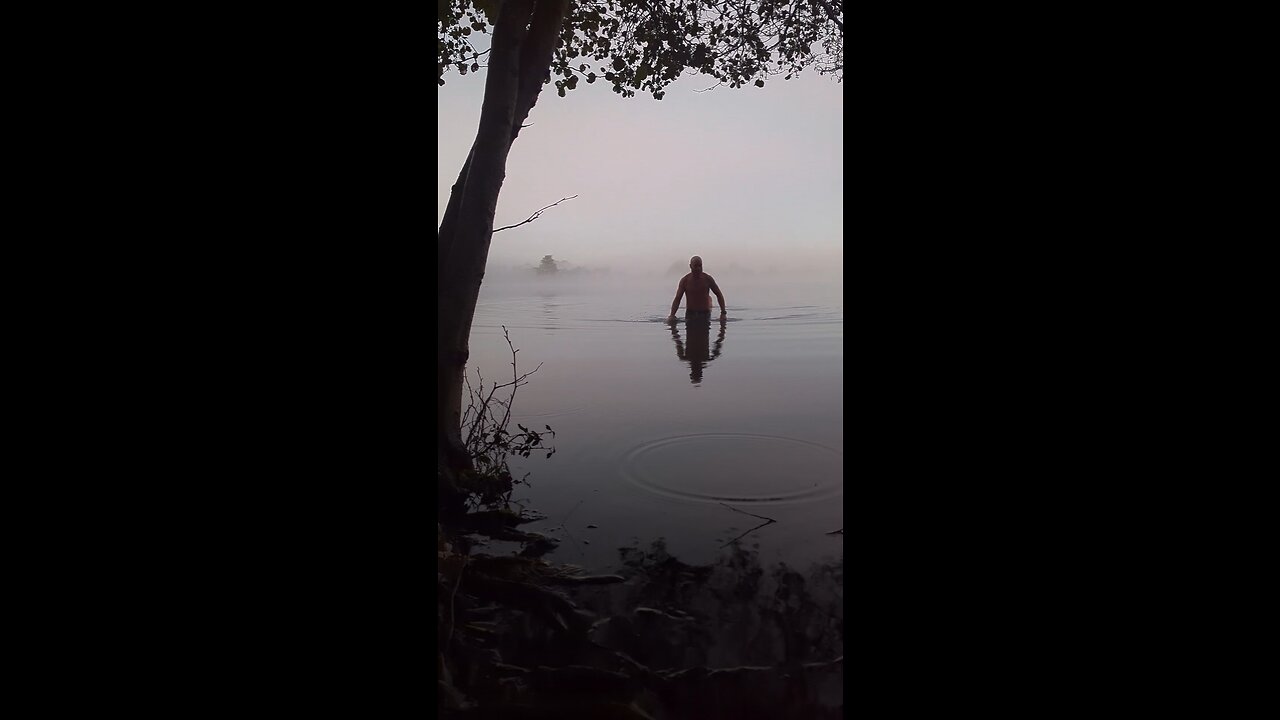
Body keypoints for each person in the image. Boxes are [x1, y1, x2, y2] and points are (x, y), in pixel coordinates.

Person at [666, 256, 726, 325]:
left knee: (704, 335)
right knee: (690, 335)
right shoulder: (685, 280)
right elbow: (677, 298)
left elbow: (719, 295)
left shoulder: (707, 279)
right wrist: (672, 315)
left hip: (705, 314)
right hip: (690, 314)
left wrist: (723, 313)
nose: (698, 268)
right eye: (695, 266)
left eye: (700, 266)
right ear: (690, 266)